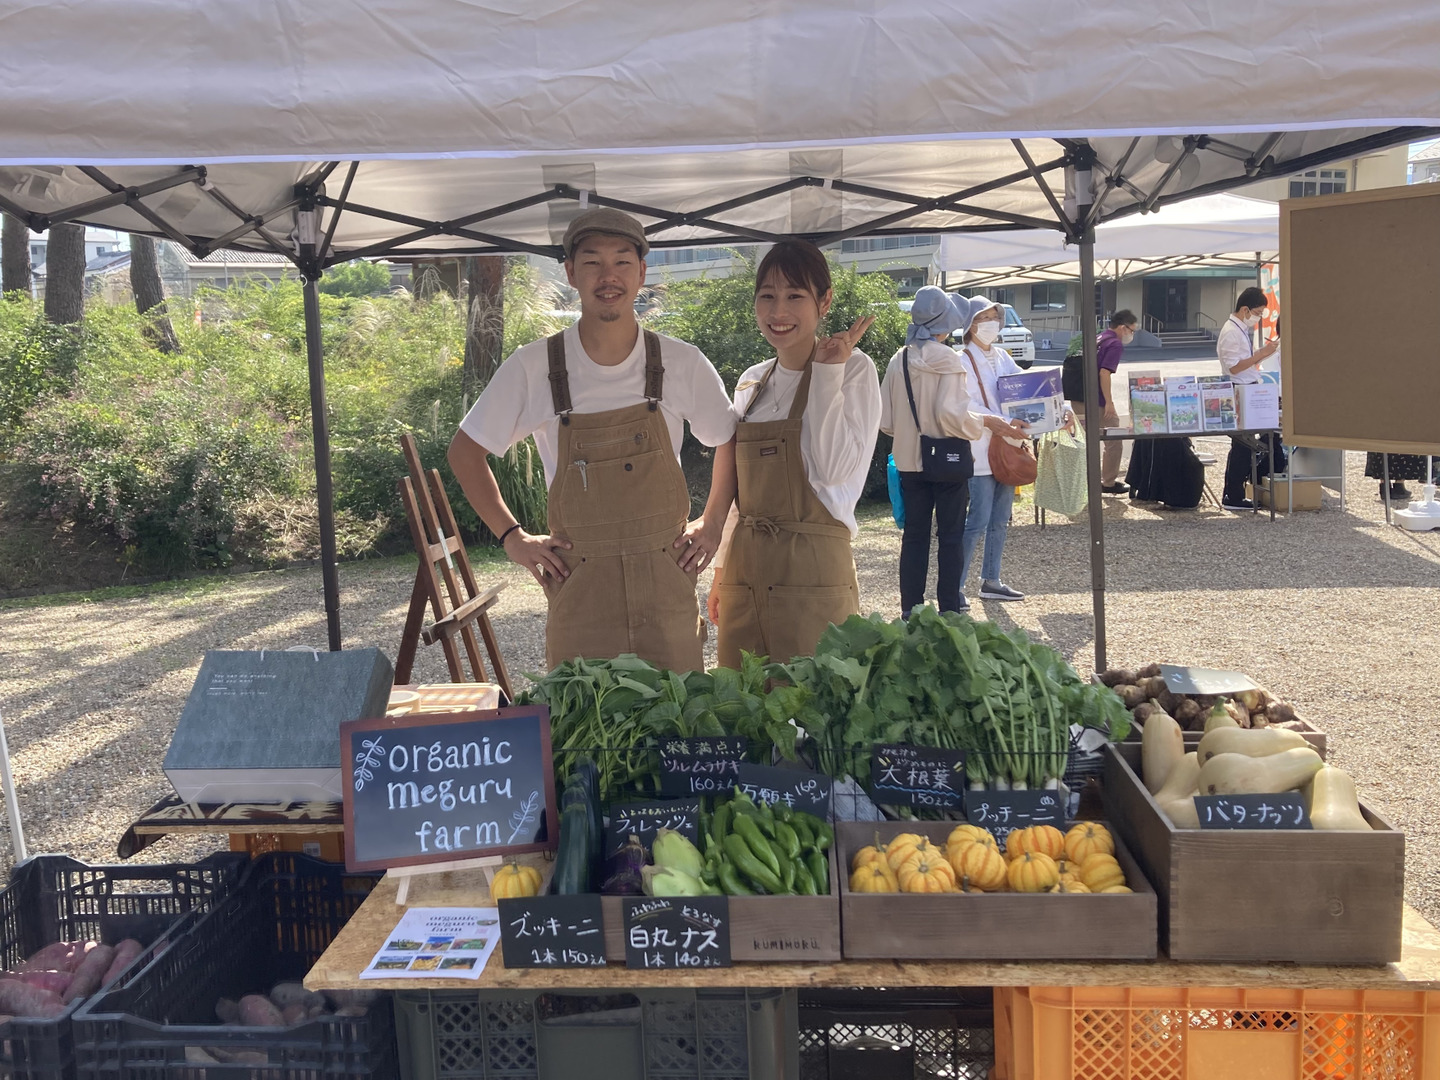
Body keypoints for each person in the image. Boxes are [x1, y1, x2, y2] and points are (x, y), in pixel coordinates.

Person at [448, 207, 737, 673]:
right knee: (585, 714)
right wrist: (512, 537)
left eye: (622, 261)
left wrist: (715, 522)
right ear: (570, 272)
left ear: (641, 272)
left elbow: (729, 438)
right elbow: (464, 453)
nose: (608, 276)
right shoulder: (533, 367)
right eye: (592, 262)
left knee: (679, 711)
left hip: (666, 582)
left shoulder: (682, 362)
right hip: (579, 586)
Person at [710, 240, 880, 667]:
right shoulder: (751, 382)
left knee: (812, 698)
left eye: (794, 296)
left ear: (824, 301)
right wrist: (721, 571)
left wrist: (828, 370)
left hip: (812, 571)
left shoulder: (854, 369)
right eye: (767, 296)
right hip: (746, 570)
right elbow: (739, 494)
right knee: (742, 697)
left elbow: (834, 468)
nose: (778, 311)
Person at [879, 287, 988, 615]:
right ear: (946, 323)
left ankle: (910, 611)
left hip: (910, 462)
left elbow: (886, 420)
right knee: (951, 537)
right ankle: (949, 611)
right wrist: (979, 425)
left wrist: (911, 435)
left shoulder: (899, 358)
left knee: (914, 538)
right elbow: (951, 414)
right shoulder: (947, 358)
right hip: (947, 463)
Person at [956, 298, 1032, 602]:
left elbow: (1025, 386)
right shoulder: (961, 360)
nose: (991, 324)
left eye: (994, 317)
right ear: (970, 325)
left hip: (1007, 449)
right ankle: (955, 586)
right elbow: (966, 404)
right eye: (983, 318)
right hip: (979, 450)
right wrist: (1002, 421)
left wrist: (1058, 407)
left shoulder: (1002, 357)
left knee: (1000, 519)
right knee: (977, 519)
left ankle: (991, 579)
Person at [1217, 287, 1281, 511]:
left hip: (1247, 387)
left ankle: (1235, 492)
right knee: (1242, 444)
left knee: (1244, 444)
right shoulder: (1231, 331)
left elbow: (1244, 363)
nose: (1259, 317)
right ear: (1245, 309)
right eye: (1258, 312)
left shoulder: (1239, 329)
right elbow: (1234, 367)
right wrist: (1261, 354)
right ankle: (1233, 495)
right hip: (1239, 389)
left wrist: (1262, 354)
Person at [1066, 310, 1138, 494]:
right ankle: (1108, 482)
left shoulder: (1099, 337)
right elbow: (1104, 373)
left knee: (1083, 440)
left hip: (1077, 395)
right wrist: (1109, 402)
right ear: (1122, 327)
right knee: (1113, 437)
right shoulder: (1114, 344)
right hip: (1095, 399)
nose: (1131, 335)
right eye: (1132, 330)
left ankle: (1081, 484)